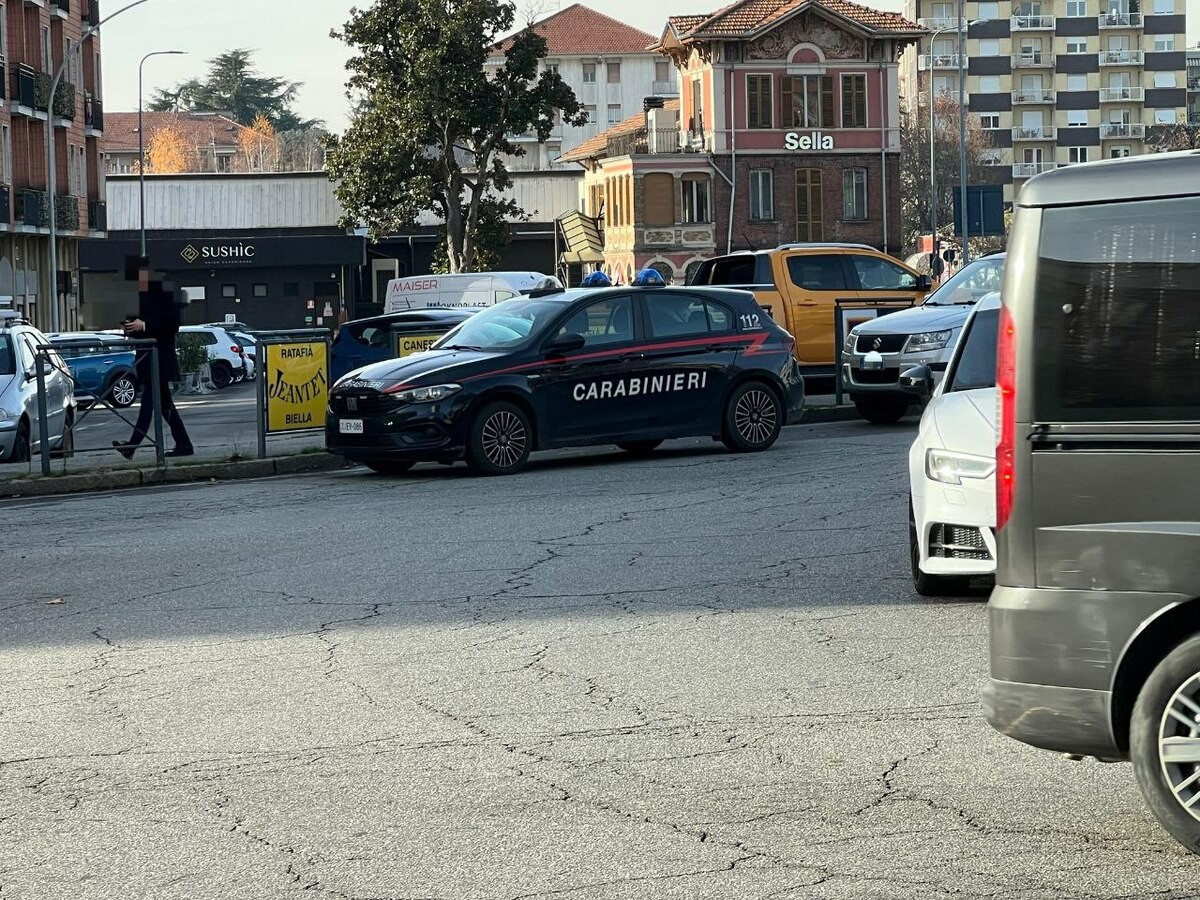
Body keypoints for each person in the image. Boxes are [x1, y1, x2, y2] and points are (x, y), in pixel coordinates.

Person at [114, 274, 193, 459]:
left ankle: (132, 445)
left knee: (148, 404)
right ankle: (184, 443)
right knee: (165, 406)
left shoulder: (166, 294)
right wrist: (130, 327)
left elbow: (172, 324)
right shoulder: (139, 297)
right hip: (146, 356)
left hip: (160, 357)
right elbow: (137, 324)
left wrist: (145, 325)